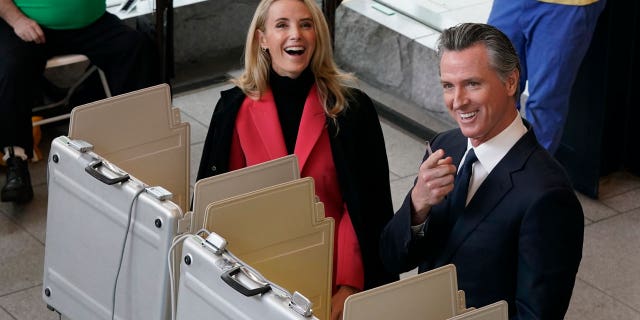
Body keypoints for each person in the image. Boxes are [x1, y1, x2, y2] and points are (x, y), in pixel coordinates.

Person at [196, 0, 398, 318]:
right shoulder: (232, 111)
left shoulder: (352, 110)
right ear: (262, 38)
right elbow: (224, 205)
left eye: (306, 24)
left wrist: (348, 286)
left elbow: (363, 207)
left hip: (332, 269)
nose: (296, 35)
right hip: (255, 272)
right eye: (282, 25)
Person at [380, 23, 584, 319]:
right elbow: (391, 257)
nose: (458, 100)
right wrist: (417, 205)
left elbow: (536, 315)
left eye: (473, 84)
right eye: (448, 85)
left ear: (511, 82)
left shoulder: (548, 195)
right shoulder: (444, 145)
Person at [0, 0, 160, 203]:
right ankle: (16, 162)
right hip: (26, 22)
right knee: (11, 68)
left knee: (137, 48)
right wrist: (17, 20)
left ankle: (140, 145)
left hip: (91, 24)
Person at [487, 0, 606, 155]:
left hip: (564, 6)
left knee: (545, 103)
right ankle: (490, 164)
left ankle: (531, 174)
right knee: (494, 86)